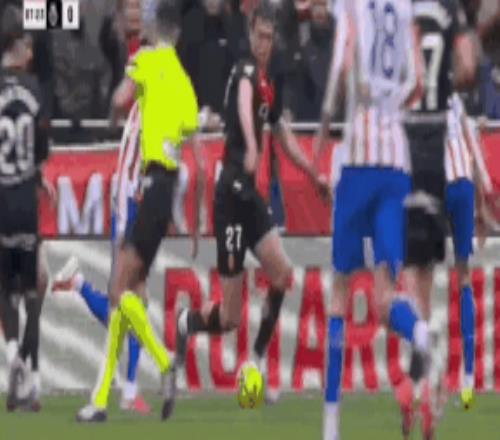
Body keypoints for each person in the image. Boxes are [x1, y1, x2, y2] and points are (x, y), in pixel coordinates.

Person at [175, 1, 329, 402]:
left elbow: (283, 134)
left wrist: (313, 173)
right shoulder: (245, 70)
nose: (264, 44)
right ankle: (187, 322)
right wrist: (250, 143)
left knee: (283, 274)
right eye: (260, 36)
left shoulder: (267, 83)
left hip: (251, 199)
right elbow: (244, 106)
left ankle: (255, 360)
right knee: (228, 318)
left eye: (270, 38)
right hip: (230, 196)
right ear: (250, 34)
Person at [75, 0, 204, 422]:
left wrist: (114, 112)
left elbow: (120, 97)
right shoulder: (184, 81)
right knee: (130, 295)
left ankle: (163, 363)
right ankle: (104, 399)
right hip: (165, 194)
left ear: (155, 28)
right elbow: (200, 160)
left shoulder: (146, 60)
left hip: (142, 190)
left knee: (121, 294)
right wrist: (196, 222)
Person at [313, 0, 431, 438]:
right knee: (385, 298)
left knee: (339, 292)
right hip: (396, 163)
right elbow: (418, 81)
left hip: (359, 157)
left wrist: (324, 132)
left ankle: (331, 424)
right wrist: (392, 107)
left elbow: (342, 68)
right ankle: (421, 332)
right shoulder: (403, 7)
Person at [399, 0, 476, 435]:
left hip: (404, 157)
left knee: (409, 284)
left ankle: (421, 382)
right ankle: (440, 382)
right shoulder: (448, 15)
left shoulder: (398, 13)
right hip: (441, 167)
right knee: (439, 281)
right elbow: (467, 68)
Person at [0, 5, 49, 412]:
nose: (32, 50)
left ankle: (12, 354)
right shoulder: (34, 89)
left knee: (4, 291)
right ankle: (30, 378)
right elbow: (41, 150)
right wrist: (38, 175)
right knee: (33, 291)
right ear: (17, 46)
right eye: (28, 43)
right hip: (25, 203)